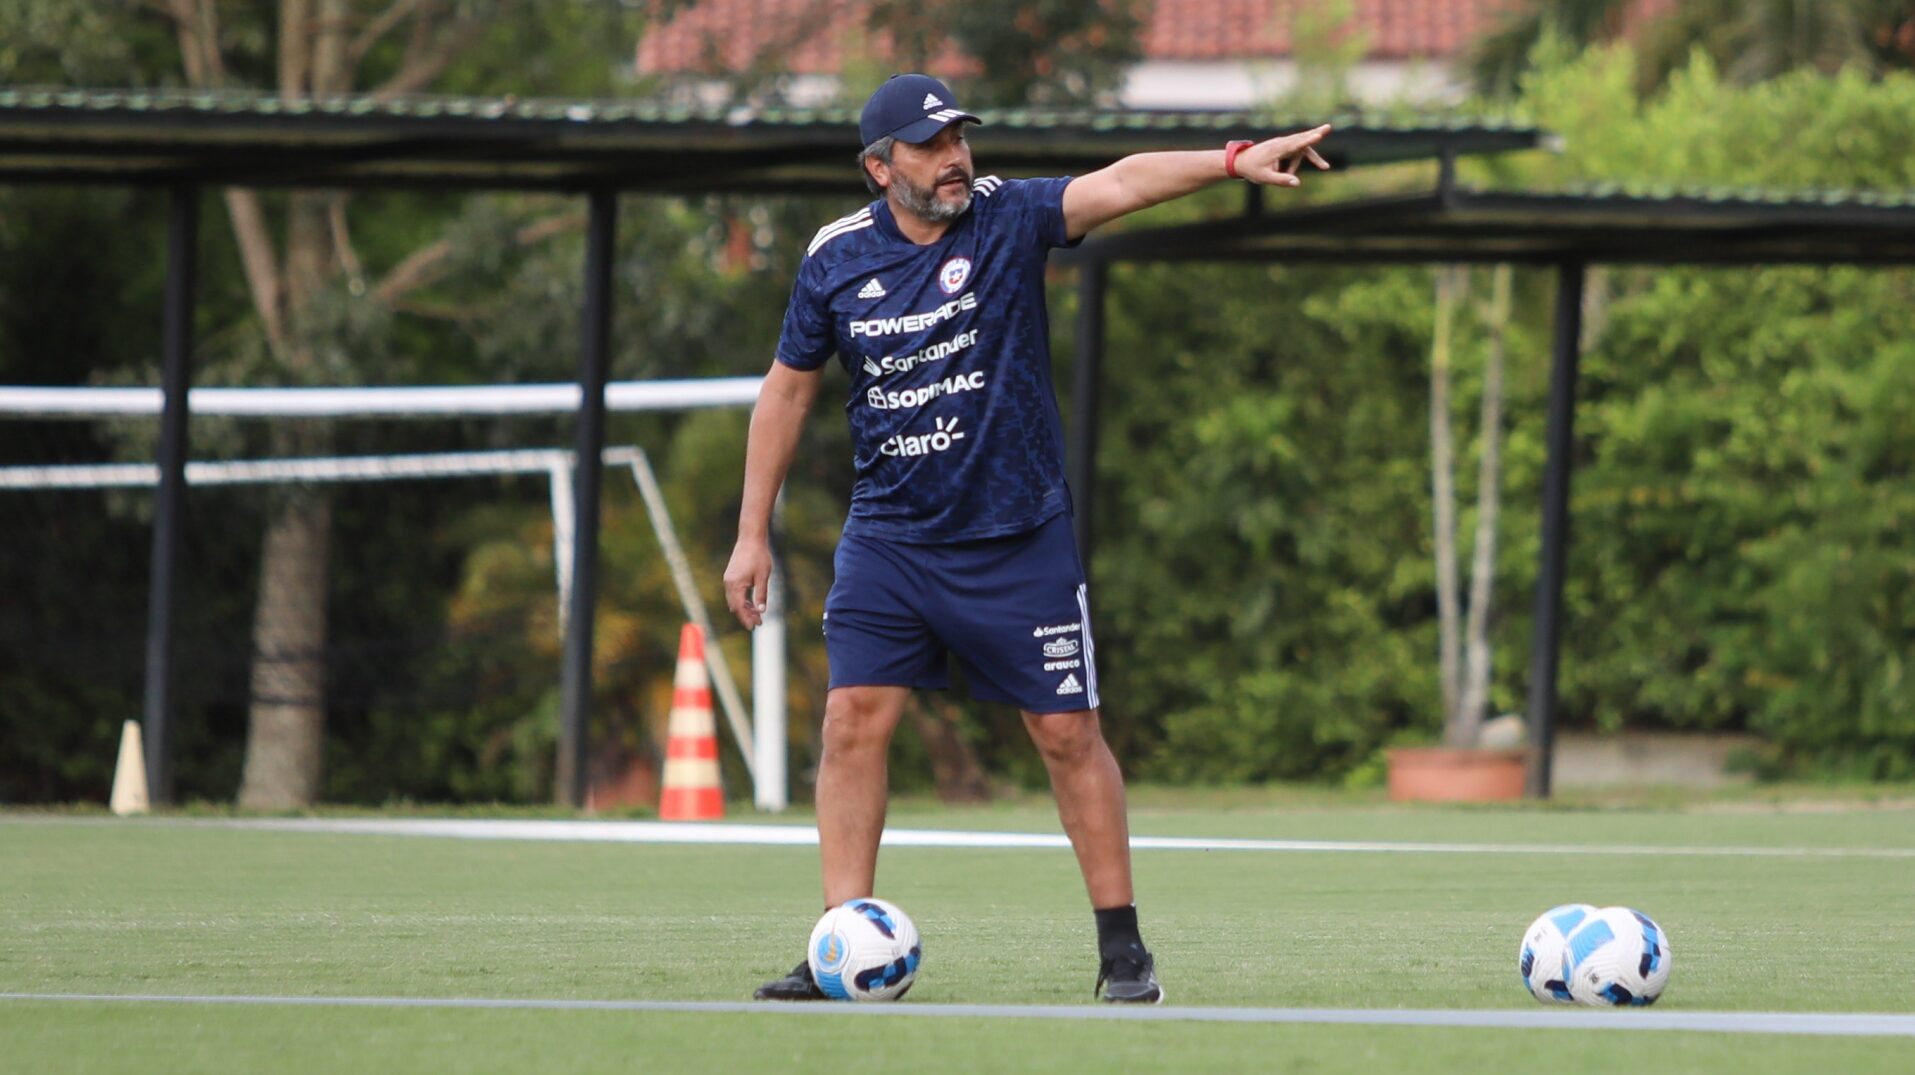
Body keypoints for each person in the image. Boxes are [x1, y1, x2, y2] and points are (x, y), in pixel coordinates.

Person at [724, 73, 1330, 1004]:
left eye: (959, 137)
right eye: (929, 146)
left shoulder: (1007, 217)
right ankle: (840, 943)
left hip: (1017, 537)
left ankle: (1123, 950)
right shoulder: (834, 258)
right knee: (852, 723)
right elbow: (788, 388)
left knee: (1064, 731)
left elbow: (1120, 182)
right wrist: (750, 533)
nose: (954, 156)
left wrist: (1231, 161)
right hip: (890, 538)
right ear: (880, 168)